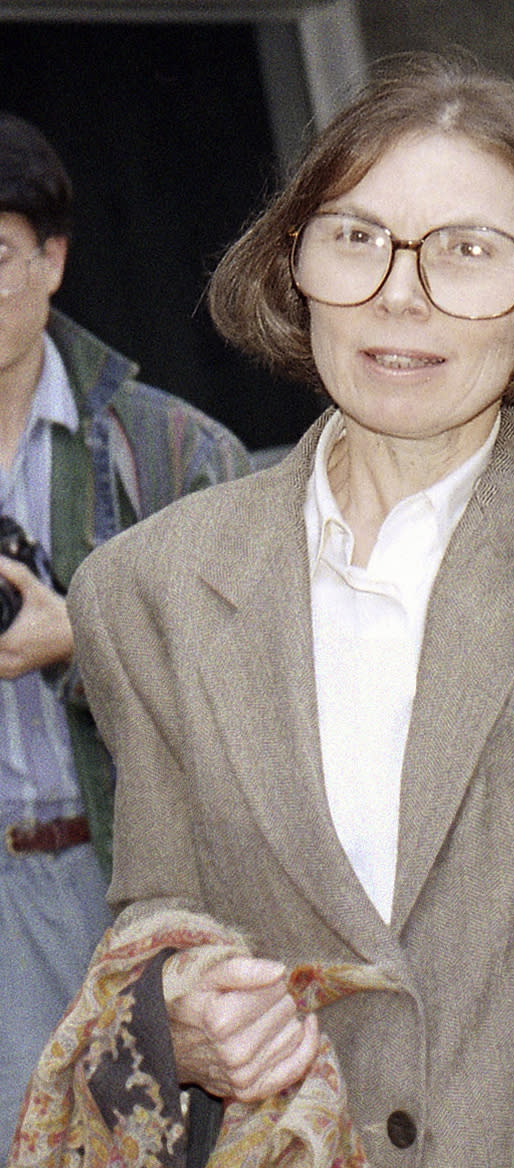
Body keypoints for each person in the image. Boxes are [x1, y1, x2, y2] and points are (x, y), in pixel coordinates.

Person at [51, 52, 514, 1167]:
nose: (400, 293)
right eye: (357, 237)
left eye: (469, 253)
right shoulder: (148, 586)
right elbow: (159, 902)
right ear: (296, 264)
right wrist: (183, 1008)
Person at [0, 112, 250, 1153]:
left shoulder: (169, 446)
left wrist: (82, 643)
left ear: (52, 258)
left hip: (121, 878)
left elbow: (264, 686)